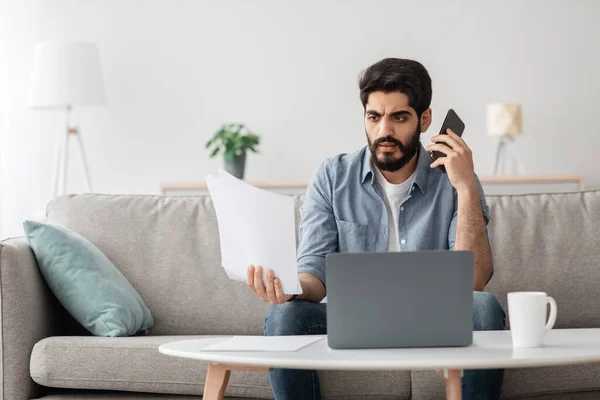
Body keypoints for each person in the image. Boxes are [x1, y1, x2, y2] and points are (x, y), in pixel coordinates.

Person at [246, 58, 505, 400]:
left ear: (424, 119)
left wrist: (466, 188)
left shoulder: (456, 178)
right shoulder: (333, 176)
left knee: (485, 307)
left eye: (399, 117)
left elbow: (472, 281)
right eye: (374, 117)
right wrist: (289, 288)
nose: (385, 131)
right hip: (352, 320)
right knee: (284, 317)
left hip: (434, 316)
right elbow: (314, 272)